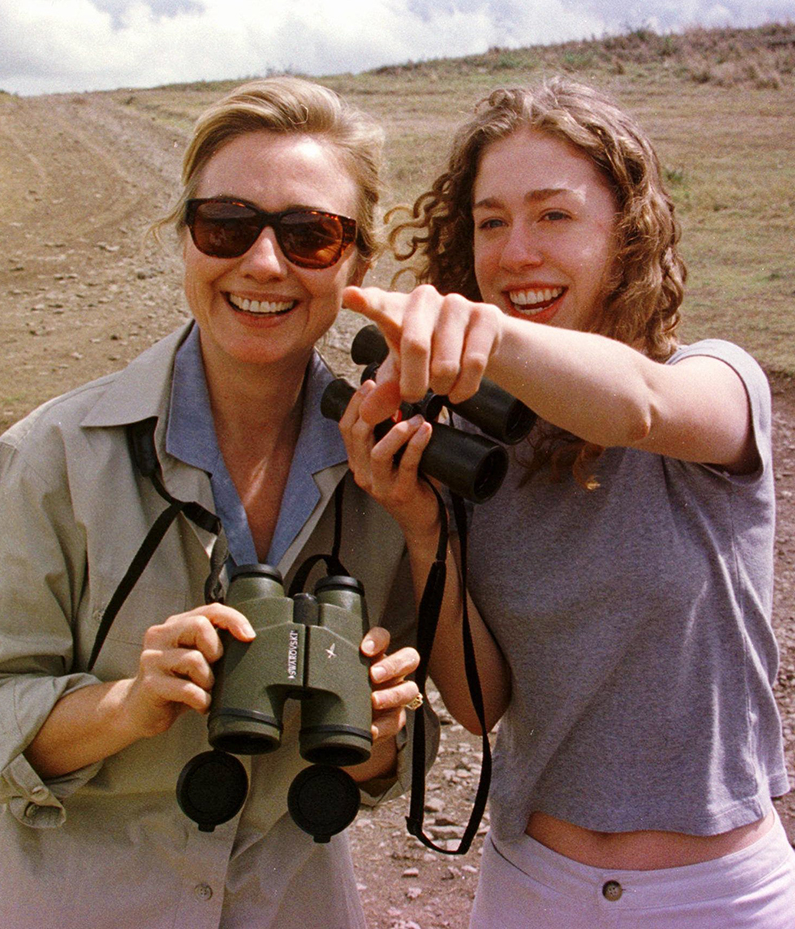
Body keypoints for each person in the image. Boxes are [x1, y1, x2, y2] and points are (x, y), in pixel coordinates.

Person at [0, 76, 437, 929]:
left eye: (310, 235)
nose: (263, 262)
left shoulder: (387, 478)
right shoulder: (51, 458)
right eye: (226, 225)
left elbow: (403, 747)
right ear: (186, 238)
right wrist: (125, 706)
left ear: (358, 265)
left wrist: (380, 739)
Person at [337, 76, 795, 927]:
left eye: (554, 216)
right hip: (532, 885)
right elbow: (479, 706)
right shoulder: (477, 447)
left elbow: (637, 407)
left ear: (624, 233)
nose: (516, 254)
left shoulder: (714, 385)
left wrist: (487, 334)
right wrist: (423, 523)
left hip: (721, 896)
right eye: (491, 222)